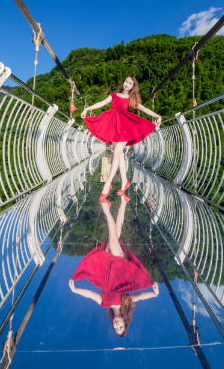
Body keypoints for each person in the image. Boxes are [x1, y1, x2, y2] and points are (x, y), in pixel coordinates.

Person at [69, 196, 158, 337]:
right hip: (119, 267)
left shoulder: (104, 303)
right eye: (121, 327)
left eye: (116, 329)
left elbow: (91, 295)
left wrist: (76, 290)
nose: (118, 326)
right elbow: (140, 296)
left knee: (116, 234)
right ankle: (106, 209)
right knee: (112, 238)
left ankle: (123, 202)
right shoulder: (125, 303)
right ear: (124, 321)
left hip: (105, 267)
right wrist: (153, 294)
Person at [81, 76, 161, 202]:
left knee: (116, 154)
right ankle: (124, 182)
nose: (127, 84)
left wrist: (157, 115)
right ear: (123, 82)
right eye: (126, 81)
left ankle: (108, 184)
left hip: (125, 128)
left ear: (133, 87)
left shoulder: (131, 98)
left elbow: (144, 109)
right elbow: (101, 103)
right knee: (119, 156)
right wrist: (88, 108)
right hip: (113, 126)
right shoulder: (114, 95)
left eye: (130, 83)